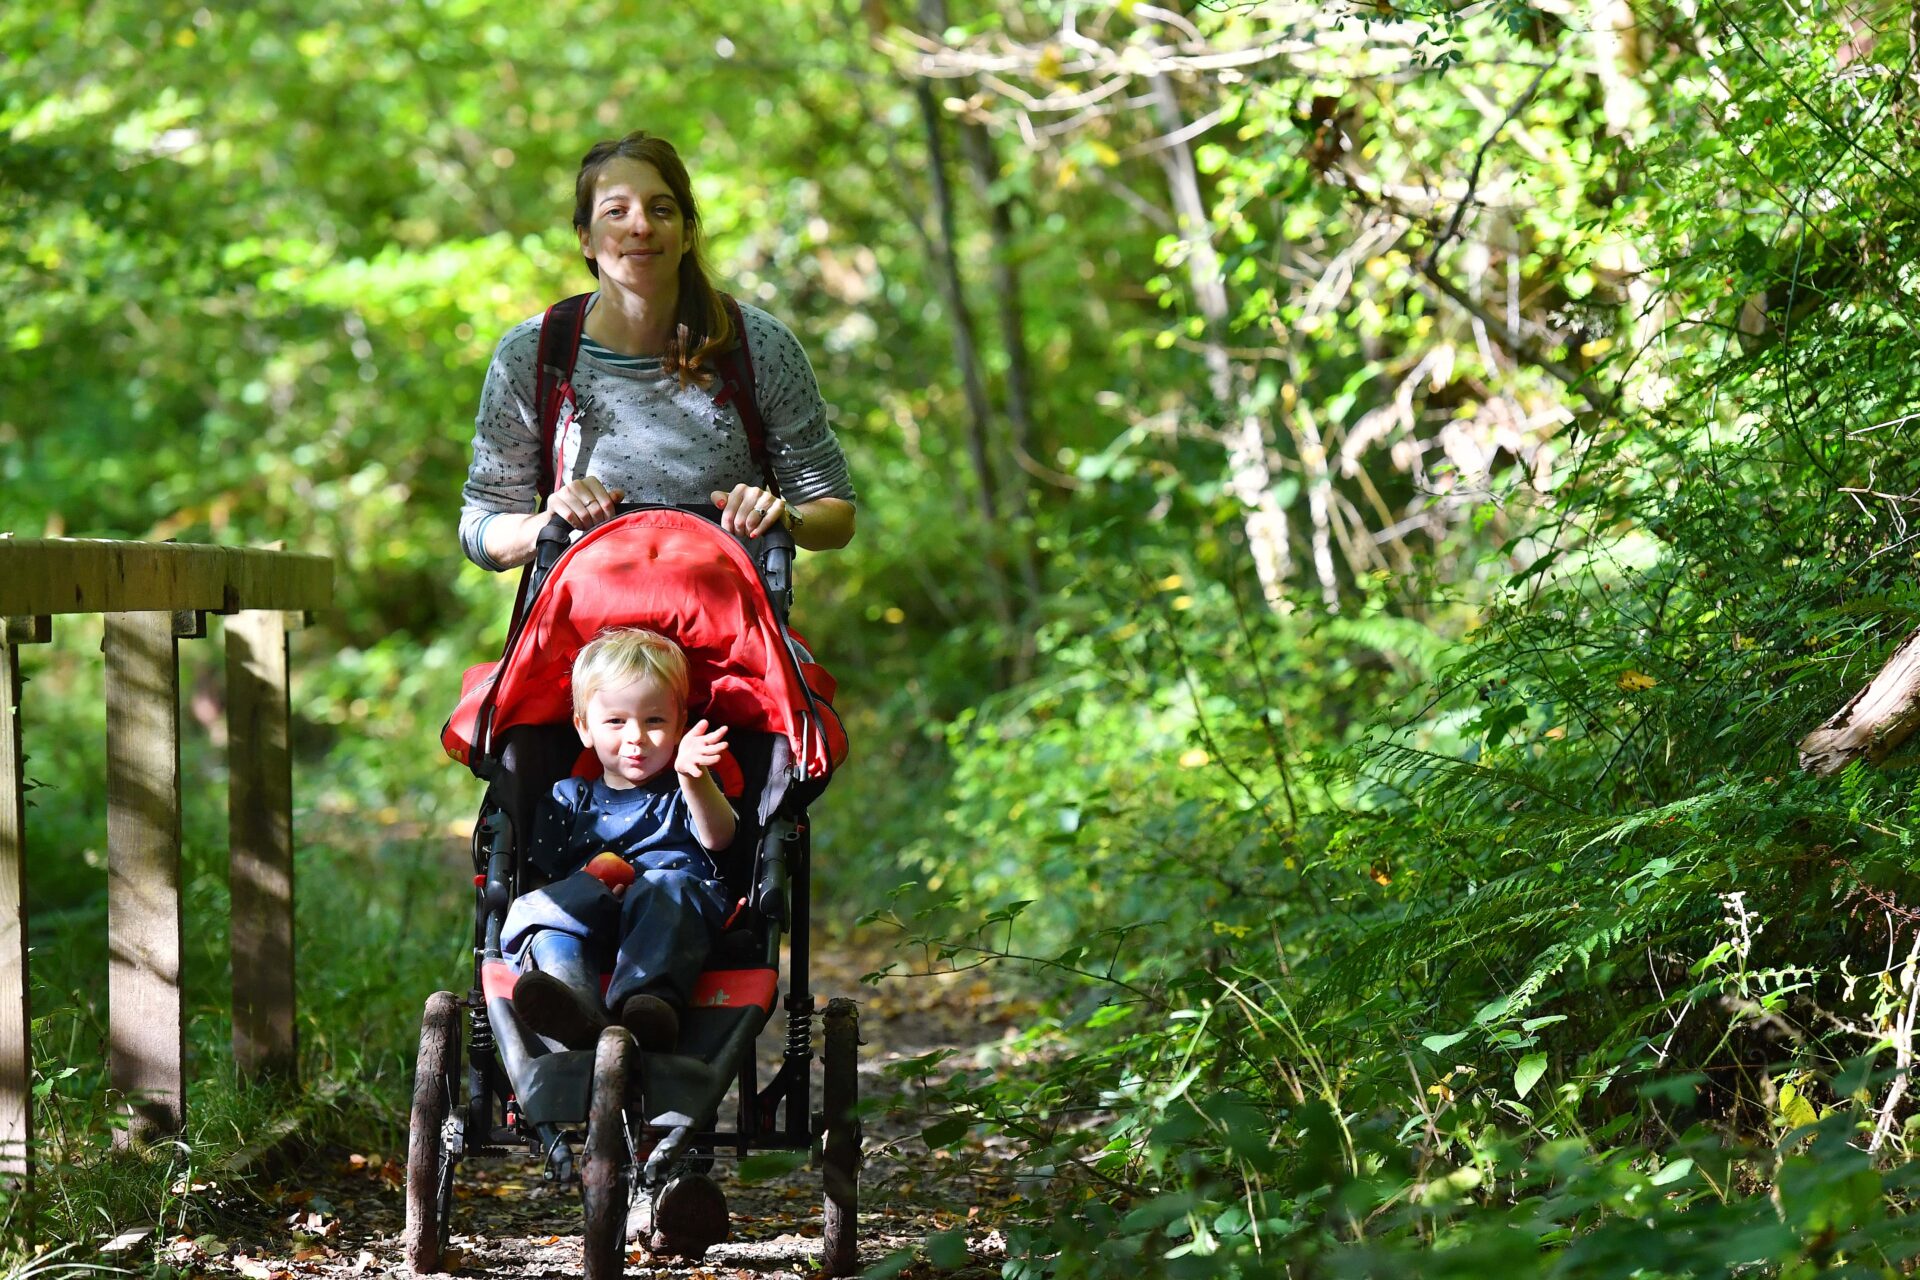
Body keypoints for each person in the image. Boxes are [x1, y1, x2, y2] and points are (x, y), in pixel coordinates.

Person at [459, 130, 856, 567]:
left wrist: (785, 517)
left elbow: (836, 516)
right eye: (616, 211)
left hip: (729, 625)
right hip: (584, 627)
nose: (641, 226)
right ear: (585, 238)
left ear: (687, 234)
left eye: (661, 209)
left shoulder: (758, 345)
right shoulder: (533, 355)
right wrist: (549, 522)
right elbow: (482, 526)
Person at [502, 627, 737, 1051]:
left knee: (667, 886)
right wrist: (571, 896)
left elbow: (719, 838)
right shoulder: (568, 798)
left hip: (666, 918)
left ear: (680, 723)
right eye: (615, 721)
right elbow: (546, 882)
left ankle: (647, 1006)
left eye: (655, 721)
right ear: (584, 728)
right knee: (543, 913)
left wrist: (693, 778)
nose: (636, 737)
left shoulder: (690, 784)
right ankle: (575, 1006)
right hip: (589, 920)